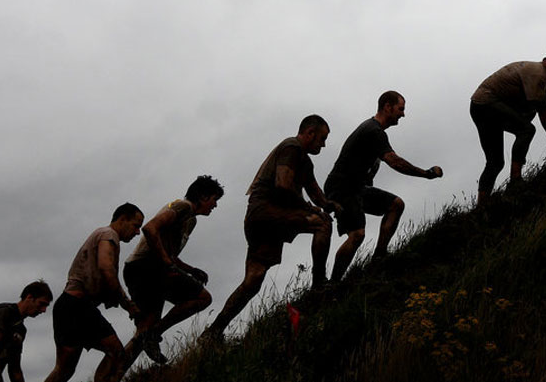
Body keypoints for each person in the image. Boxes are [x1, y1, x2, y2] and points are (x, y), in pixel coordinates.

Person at [201, 115, 338, 340]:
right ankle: (319, 286)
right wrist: (310, 209)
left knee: (254, 278)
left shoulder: (304, 161)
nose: (323, 144)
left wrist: (331, 205)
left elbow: (316, 193)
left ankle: (213, 331)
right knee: (322, 224)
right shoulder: (292, 148)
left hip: (260, 218)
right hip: (267, 212)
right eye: (322, 138)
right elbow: (283, 185)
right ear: (310, 133)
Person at [25, 204, 143, 382]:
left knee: (64, 369)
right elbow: (106, 269)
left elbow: (99, 276)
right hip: (77, 307)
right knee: (116, 354)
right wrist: (127, 304)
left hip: (70, 306)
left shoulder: (102, 235)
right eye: (135, 225)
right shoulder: (109, 235)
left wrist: (108, 295)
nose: (137, 231)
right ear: (122, 219)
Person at [324, 91, 443, 282]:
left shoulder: (373, 130)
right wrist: (426, 174)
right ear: (387, 107)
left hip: (356, 188)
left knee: (396, 205)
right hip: (342, 188)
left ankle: (378, 259)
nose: (403, 114)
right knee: (357, 234)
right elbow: (395, 161)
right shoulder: (374, 131)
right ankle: (332, 285)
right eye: (400, 109)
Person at [122, 176, 224, 366]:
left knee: (146, 326)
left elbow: (169, 252)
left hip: (146, 268)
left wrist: (191, 270)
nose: (215, 205)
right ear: (203, 197)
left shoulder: (190, 220)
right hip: (144, 267)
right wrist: (167, 263)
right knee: (203, 298)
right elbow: (150, 228)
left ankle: (113, 376)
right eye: (214, 199)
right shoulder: (183, 207)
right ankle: (154, 334)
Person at [469, 48, 546, 205]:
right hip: (486, 104)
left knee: (495, 163)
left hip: (479, 106)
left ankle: (481, 206)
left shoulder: (537, 76)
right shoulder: (537, 73)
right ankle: (515, 181)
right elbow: (543, 111)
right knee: (527, 130)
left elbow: (545, 110)